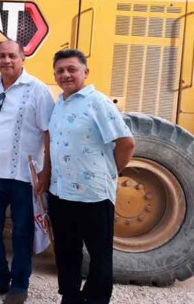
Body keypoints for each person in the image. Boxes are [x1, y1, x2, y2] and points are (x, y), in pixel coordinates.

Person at [42, 49, 135, 304]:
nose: (65, 75)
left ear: (85, 72)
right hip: (61, 193)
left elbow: (126, 143)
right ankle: (70, 296)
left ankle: (95, 299)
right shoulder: (60, 102)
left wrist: (109, 173)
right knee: (66, 250)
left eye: (71, 69)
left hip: (93, 195)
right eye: (60, 70)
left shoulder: (98, 102)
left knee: (99, 254)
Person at [0, 40, 55, 304]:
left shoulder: (38, 90)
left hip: (22, 175)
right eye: (1, 56)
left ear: (23, 59)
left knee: (22, 231)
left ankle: (20, 285)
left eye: (12, 56)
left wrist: (46, 173)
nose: (6, 60)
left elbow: (48, 133)